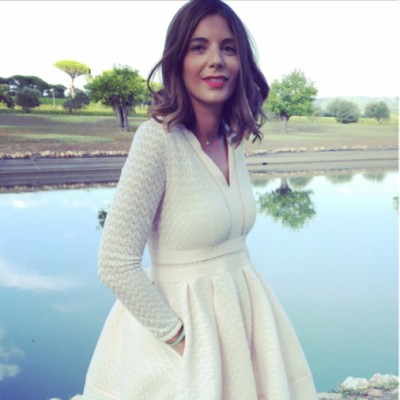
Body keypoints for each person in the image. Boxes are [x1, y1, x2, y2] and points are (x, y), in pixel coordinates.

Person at [81, 0, 317, 399]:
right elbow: (115, 264)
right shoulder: (157, 141)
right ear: (178, 61)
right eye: (198, 47)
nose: (216, 60)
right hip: (182, 339)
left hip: (244, 327)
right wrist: (181, 339)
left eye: (228, 48)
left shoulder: (233, 138)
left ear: (242, 62)